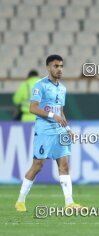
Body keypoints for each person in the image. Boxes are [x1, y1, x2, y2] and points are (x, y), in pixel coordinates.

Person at [15, 55, 83, 212]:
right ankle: (20, 200)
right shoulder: (41, 86)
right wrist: (53, 116)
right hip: (44, 130)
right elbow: (33, 108)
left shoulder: (63, 88)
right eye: (55, 66)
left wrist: (68, 129)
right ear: (48, 67)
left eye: (61, 66)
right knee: (38, 165)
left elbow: (61, 111)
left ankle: (69, 203)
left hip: (59, 131)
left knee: (64, 165)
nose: (59, 69)